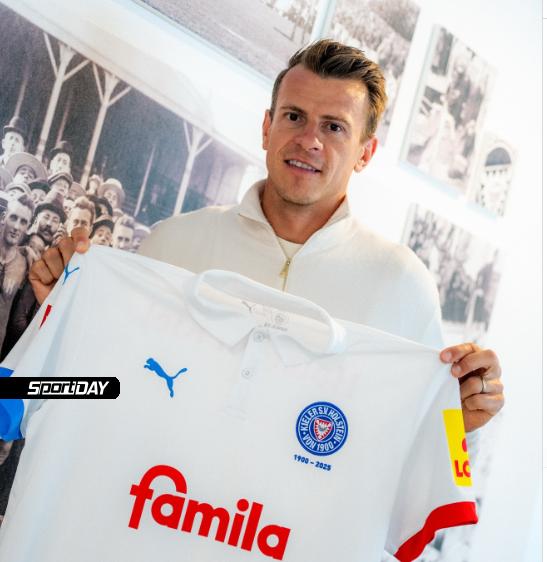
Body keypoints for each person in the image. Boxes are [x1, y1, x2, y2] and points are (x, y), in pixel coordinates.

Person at [29, 40, 503, 434]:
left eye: (334, 127)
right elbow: (88, 391)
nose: (309, 140)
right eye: (294, 116)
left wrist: (459, 421)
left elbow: (422, 444)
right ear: (266, 127)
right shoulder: (171, 245)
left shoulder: (402, 287)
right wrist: (63, 316)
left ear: (365, 153)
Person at [0, 195, 34, 350]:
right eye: (13, 218)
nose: (17, 226)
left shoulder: (25, 263)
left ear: (28, 227)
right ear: (4, 217)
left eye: (23, 222)